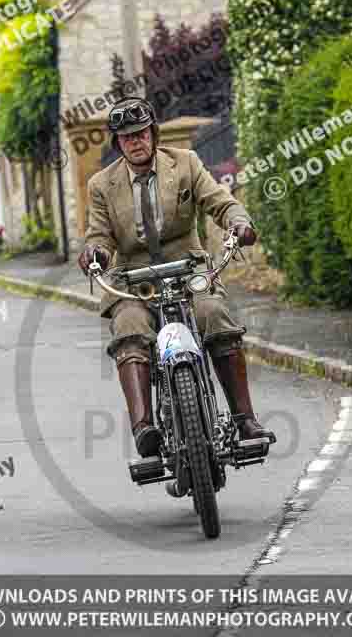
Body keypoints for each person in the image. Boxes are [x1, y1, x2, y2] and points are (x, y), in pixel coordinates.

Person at [78, 97, 275, 457]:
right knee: (130, 330)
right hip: (133, 282)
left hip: (187, 272)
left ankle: (245, 418)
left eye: (140, 134)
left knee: (213, 315)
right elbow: (99, 234)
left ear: (152, 133)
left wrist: (238, 222)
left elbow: (219, 200)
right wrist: (97, 253)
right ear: (118, 143)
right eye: (125, 138)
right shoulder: (102, 185)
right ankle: (144, 428)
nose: (134, 142)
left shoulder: (185, 163)